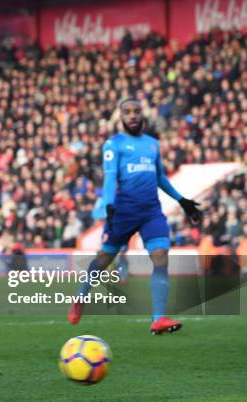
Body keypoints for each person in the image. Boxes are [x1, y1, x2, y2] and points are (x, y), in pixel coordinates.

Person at [68, 98, 202, 334]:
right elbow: (110, 177)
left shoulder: (152, 144)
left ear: (143, 114)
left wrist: (182, 200)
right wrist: (109, 206)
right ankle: (81, 295)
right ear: (121, 117)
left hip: (151, 211)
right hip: (124, 211)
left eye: (136, 111)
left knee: (160, 255)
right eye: (127, 112)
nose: (132, 115)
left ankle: (158, 318)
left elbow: (160, 177)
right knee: (104, 258)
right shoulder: (114, 144)